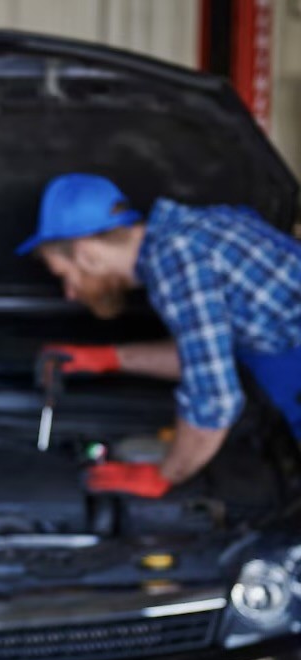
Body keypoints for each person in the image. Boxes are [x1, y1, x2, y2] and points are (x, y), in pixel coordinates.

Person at [17, 173, 301, 499]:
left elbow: (214, 399)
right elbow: (206, 354)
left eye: (64, 276)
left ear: (85, 254)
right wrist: (110, 358)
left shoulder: (176, 262)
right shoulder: (193, 230)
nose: (69, 293)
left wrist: (166, 474)